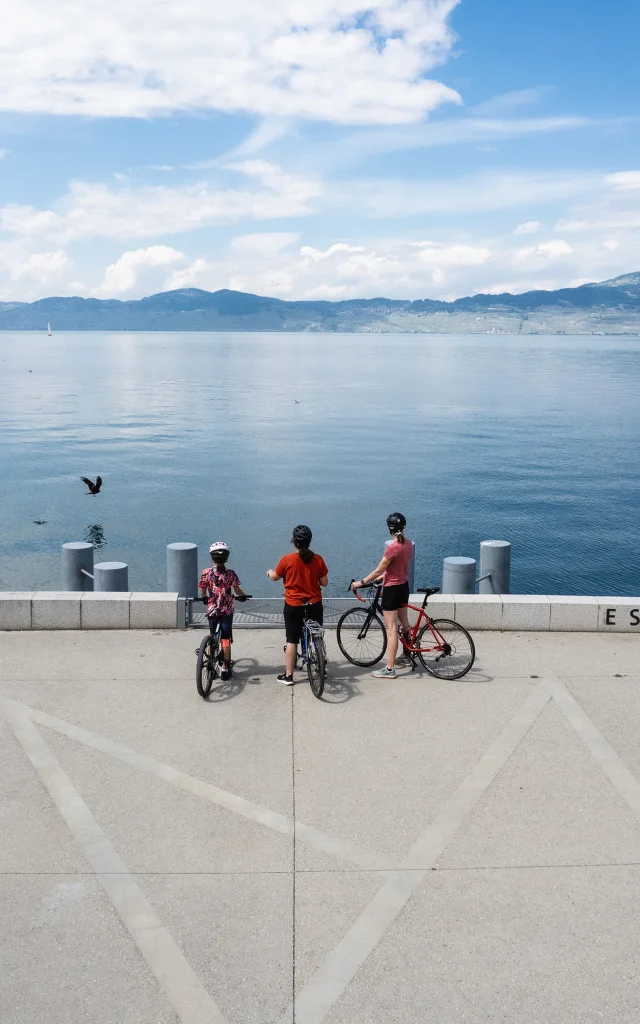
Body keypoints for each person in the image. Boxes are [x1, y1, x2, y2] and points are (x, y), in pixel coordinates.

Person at [351, 512, 414, 679]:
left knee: (392, 629)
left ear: (389, 529)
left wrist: (361, 582)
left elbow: (380, 570)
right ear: (403, 528)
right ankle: (407, 656)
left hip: (392, 590)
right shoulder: (408, 545)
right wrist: (381, 577)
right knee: (405, 624)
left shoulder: (392, 548)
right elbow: (395, 568)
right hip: (403, 587)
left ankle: (390, 668)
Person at [266, 525, 328, 684]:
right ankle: (321, 666)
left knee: (292, 640)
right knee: (316, 634)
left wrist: (269, 572)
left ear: (294, 541)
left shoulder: (287, 560)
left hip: (294, 605)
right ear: (309, 541)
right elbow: (325, 583)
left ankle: (288, 676)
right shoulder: (318, 559)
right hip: (314, 604)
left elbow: (274, 577)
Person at [199, 542, 248, 681]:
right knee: (225, 638)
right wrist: (242, 597)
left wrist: (204, 598)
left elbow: (202, 588)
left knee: (212, 636)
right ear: (226, 558)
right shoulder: (230, 574)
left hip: (213, 609)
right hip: (226, 610)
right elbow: (237, 590)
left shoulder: (206, 573)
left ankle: (210, 661)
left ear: (211, 558)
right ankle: (225, 669)